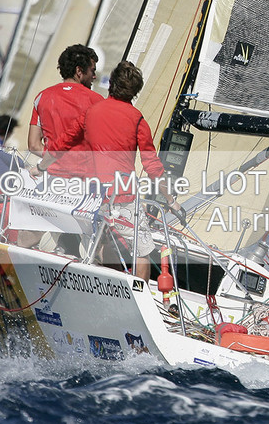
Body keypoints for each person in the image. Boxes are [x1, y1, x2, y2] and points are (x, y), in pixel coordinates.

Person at [74, 60, 175, 278]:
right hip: (123, 195)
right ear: (135, 91)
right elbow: (152, 165)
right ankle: (140, 293)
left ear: (111, 84)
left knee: (95, 246)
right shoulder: (137, 119)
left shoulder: (91, 112)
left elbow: (71, 145)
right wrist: (171, 199)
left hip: (91, 193)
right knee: (142, 249)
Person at [28, 44, 102, 175]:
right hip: (82, 180)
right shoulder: (97, 101)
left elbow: (33, 145)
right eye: (93, 71)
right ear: (79, 71)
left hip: (50, 176)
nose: (94, 76)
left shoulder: (42, 96)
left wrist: (55, 160)